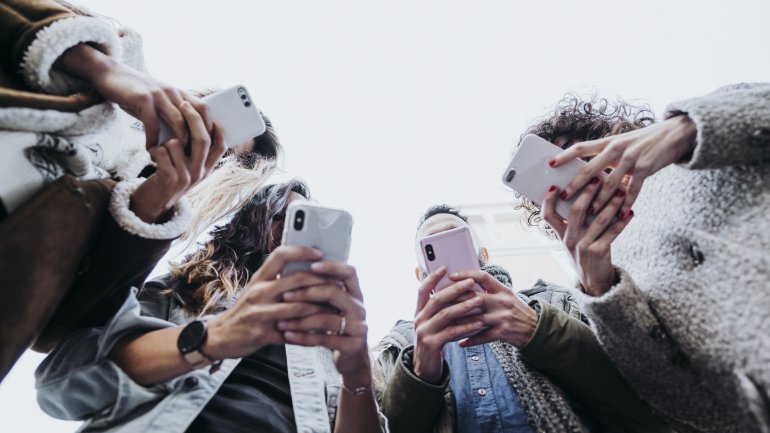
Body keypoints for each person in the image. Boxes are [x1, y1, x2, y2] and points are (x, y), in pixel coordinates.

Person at [0, 0, 279, 380]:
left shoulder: (147, 221)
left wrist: (155, 201)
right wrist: (102, 69)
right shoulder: (116, 55)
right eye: (211, 123)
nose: (206, 145)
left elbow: (57, 334)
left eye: (224, 153)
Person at [35, 179, 386, 433]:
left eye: (304, 222)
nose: (289, 234)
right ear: (252, 223)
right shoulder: (183, 290)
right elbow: (60, 386)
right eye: (282, 216)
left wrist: (357, 379)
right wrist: (214, 336)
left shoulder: (335, 343)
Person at [515, 87, 770, 432]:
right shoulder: (609, 277)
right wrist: (601, 289)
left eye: (580, 158)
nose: (578, 181)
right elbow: (685, 410)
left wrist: (688, 129)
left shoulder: (695, 147)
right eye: (556, 188)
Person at [373, 205, 671, 433]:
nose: (444, 251)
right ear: (419, 273)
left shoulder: (551, 302)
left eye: (454, 237)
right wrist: (421, 372)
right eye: (432, 248)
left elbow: (632, 394)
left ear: (483, 254)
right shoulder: (401, 345)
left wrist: (536, 329)